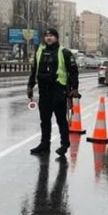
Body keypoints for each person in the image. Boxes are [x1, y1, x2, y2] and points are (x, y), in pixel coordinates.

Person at [27, 28, 80, 156]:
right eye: (46, 36)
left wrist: (74, 88)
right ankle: (44, 144)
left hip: (58, 90)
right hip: (44, 90)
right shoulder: (39, 52)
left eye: (51, 36)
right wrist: (30, 86)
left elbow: (73, 71)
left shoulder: (64, 52)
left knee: (61, 119)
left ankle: (64, 144)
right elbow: (34, 70)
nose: (49, 38)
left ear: (56, 38)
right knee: (44, 120)